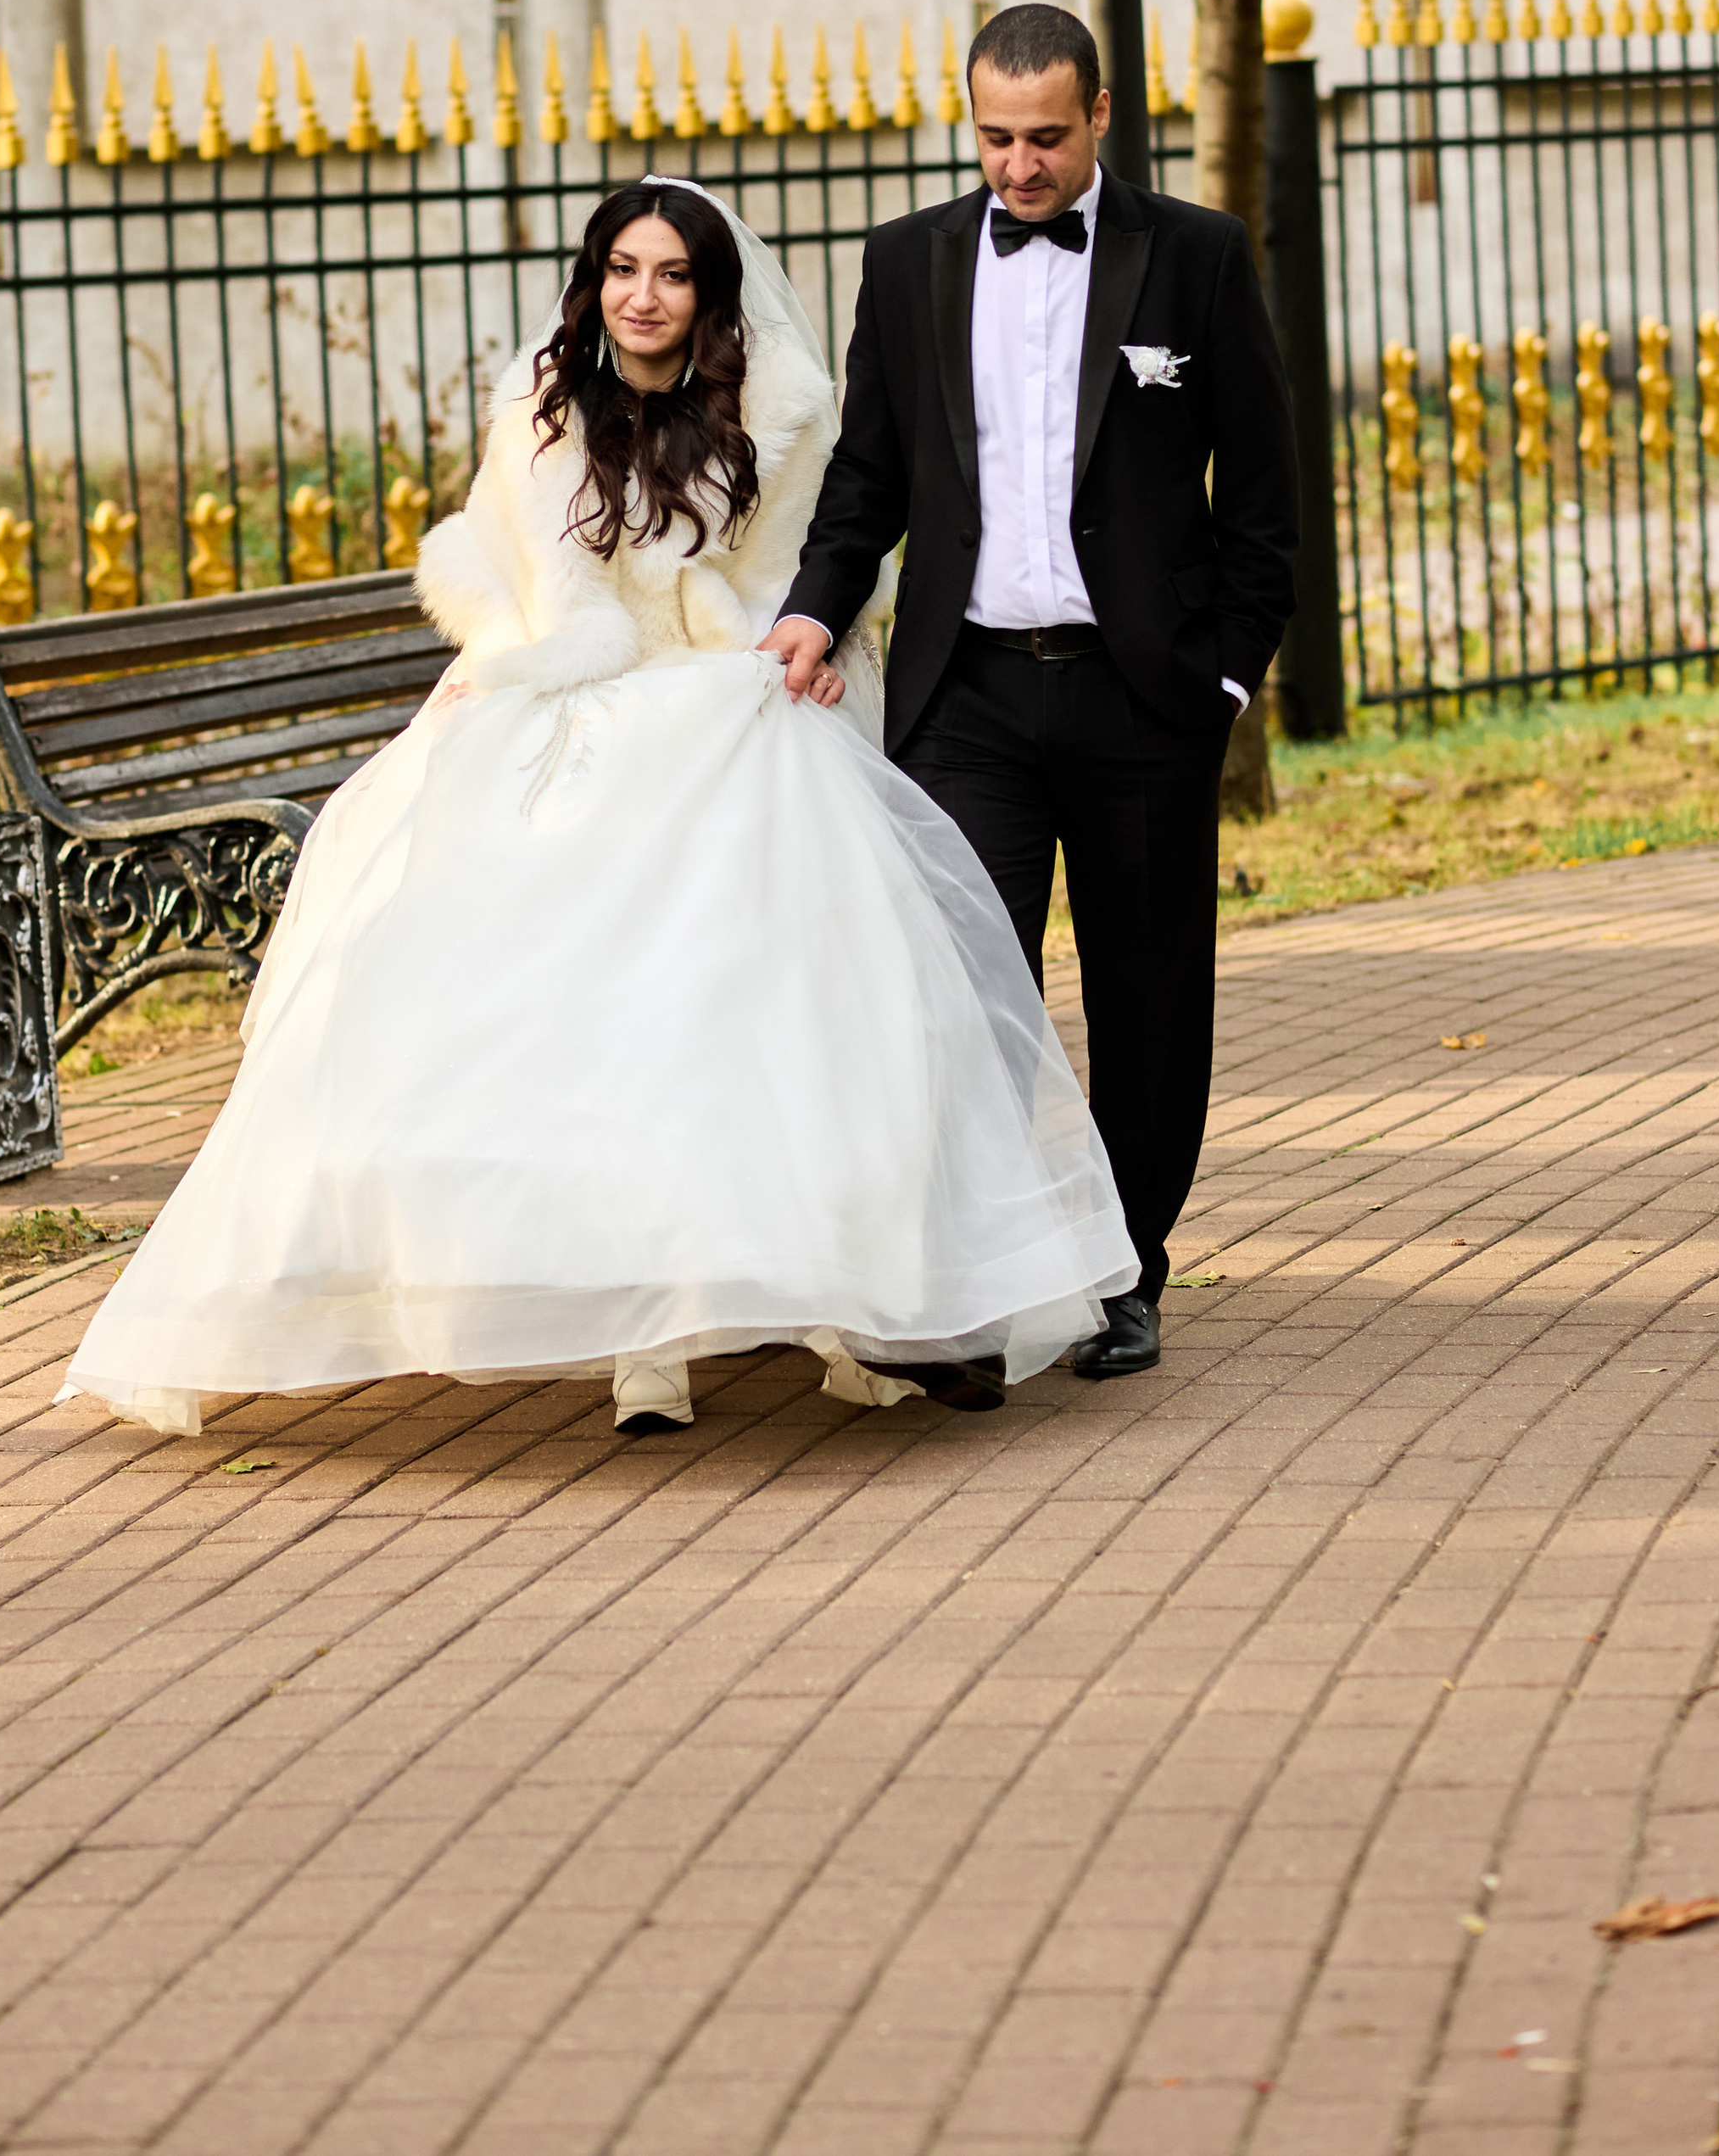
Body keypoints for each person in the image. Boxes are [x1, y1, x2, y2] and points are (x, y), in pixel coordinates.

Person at [59, 176, 1136, 1443]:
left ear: (710, 292)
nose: (645, 295)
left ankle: (851, 1306)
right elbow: (509, 566)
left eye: (674, 273)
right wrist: (501, 650)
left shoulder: (778, 408)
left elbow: (809, 563)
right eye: (624, 268)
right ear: (595, 279)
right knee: (547, 980)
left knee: (750, 989)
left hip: (718, 702)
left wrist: (811, 635)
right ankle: (636, 1343)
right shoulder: (543, 404)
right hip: (572, 703)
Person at [763, 5, 1298, 1381]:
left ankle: (1126, 1268)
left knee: (1147, 1003)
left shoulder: (1196, 257)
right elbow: (867, 476)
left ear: (1102, 113)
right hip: (971, 698)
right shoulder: (909, 262)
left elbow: (1268, 491)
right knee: (956, 993)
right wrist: (818, 606)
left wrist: (1226, 675)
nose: (1020, 166)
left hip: (1142, 699)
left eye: (1047, 136)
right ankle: (975, 1287)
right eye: (996, 137)